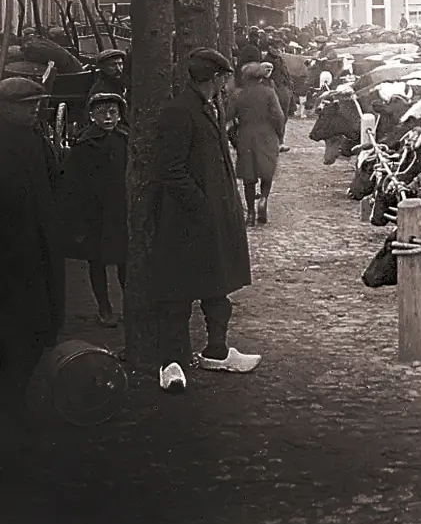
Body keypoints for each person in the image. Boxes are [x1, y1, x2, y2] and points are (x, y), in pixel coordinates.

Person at [152, 48, 260, 394]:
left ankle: (217, 351)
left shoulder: (206, 107)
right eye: (223, 78)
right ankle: (172, 364)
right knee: (177, 296)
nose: (225, 84)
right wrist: (201, 205)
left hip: (210, 219)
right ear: (213, 78)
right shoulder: (178, 111)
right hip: (185, 223)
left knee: (216, 289)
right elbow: (171, 170)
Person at [0, 78, 63, 451]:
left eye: (38, 103)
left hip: (37, 249)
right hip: (10, 254)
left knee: (37, 327)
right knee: (15, 332)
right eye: (29, 104)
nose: (36, 110)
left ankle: (15, 403)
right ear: (7, 108)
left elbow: (53, 181)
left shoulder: (35, 137)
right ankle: (12, 410)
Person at [61, 92, 129, 327]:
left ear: (120, 115)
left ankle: (129, 305)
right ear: (91, 116)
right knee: (97, 261)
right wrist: (78, 221)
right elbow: (73, 185)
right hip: (95, 214)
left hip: (120, 211)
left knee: (125, 260)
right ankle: (104, 307)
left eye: (113, 112)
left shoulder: (125, 139)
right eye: (102, 113)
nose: (108, 118)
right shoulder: (84, 145)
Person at [229, 62, 287, 226]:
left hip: (246, 135)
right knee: (267, 170)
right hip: (267, 134)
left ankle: (250, 214)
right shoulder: (269, 93)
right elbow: (279, 116)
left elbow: (229, 116)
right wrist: (279, 134)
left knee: (249, 175)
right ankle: (263, 199)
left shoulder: (238, 94)